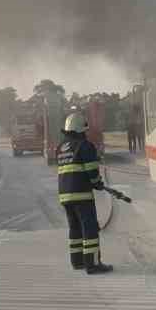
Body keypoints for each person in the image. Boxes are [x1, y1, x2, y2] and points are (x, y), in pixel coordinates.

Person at [56, 111, 113, 273]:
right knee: (90, 229)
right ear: (81, 130)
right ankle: (93, 264)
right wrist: (97, 183)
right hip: (81, 195)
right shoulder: (85, 146)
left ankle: (78, 261)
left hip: (65, 196)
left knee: (74, 228)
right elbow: (91, 170)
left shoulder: (61, 147)